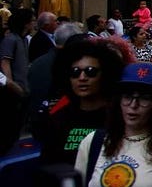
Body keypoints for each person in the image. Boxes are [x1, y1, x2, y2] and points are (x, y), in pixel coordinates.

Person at [35, 36, 123, 166]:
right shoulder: (58, 116)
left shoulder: (119, 116)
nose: (82, 78)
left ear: (105, 74)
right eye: (75, 72)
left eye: (90, 71)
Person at [1, 8, 36, 156]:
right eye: (32, 20)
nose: (34, 23)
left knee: (16, 128)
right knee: (9, 128)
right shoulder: (11, 39)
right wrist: (12, 85)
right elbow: (5, 63)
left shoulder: (23, 40)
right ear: (26, 23)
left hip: (23, 90)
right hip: (14, 92)